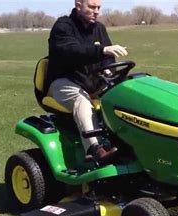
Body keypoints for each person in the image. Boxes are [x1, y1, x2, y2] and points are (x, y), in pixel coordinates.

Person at [46, 0, 128, 164]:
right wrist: (101, 50)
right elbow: (71, 51)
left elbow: (108, 59)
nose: (96, 11)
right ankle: (95, 150)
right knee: (81, 101)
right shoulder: (63, 27)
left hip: (92, 82)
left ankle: (127, 144)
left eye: (98, 8)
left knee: (125, 93)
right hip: (64, 82)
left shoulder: (99, 29)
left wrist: (108, 69)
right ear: (78, 5)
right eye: (91, 7)